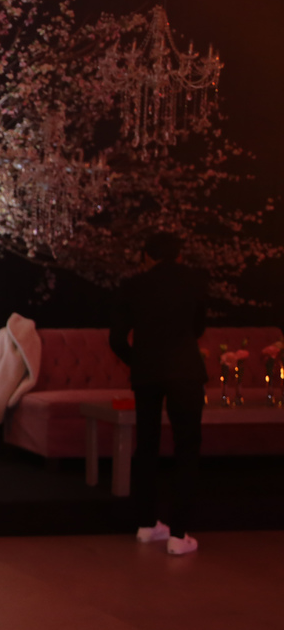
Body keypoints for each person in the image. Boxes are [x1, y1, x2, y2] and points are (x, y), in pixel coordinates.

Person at [109, 231, 207, 555]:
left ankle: (146, 525)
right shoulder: (195, 280)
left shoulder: (134, 285)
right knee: (187, 448)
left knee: (147, 447)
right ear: (179, 255)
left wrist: (138, 360)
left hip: (147, 373)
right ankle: (179, 534)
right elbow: (199, 327)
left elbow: (117, 339)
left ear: (147, 256)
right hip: (185, 371)